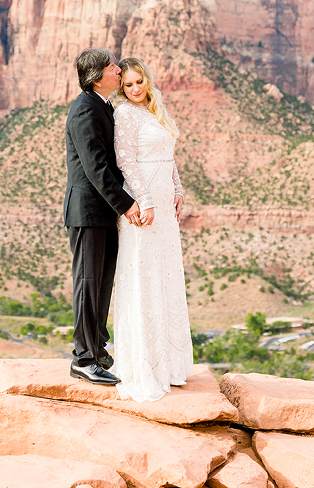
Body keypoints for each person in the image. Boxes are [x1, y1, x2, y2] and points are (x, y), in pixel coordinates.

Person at [111, 56, 194, 402]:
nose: (134, 89)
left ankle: (169, 364)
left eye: (138, 82)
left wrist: (177, 190)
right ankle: (144, 365)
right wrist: (144, 200)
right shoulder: (124, 114)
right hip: (143, 206)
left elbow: (168, 157)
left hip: (164, 202)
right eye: (127, 84)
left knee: (165, 274)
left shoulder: (154, 111)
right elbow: (125, 160)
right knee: (142, 276)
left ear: (147, 81)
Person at [63, 47, 141, 385]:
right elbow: (95, 168)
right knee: (88, 284)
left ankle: (97, 348)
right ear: (96, 76)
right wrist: (127, 204)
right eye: (112, 66)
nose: (118, 69)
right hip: (88, 213)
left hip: (104, 213)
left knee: (102, 284)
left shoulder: (103, 107)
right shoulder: (84, 110)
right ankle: (83, 359)